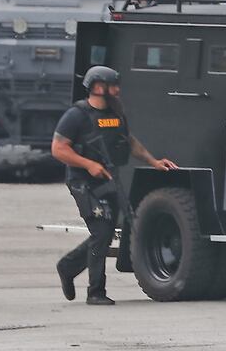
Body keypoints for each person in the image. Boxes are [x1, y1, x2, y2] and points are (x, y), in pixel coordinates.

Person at [51, 65, 177, 305]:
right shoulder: (76, 115)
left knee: (106, 233)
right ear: (98, 87)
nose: (117, 90)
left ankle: (68, 267)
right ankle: (95, 292)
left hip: (108, 180)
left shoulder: (115, 113)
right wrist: (87, 164)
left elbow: (129, 141)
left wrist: (154, 161)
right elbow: (58, 149)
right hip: (83, 182)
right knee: (100, 232)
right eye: (113, 85)